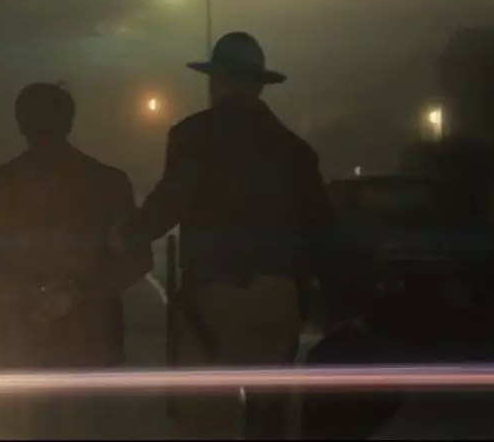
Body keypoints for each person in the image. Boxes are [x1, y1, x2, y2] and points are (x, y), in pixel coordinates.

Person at [117, 32, 335, 439]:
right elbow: (321, 228)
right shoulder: (294, 149)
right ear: (259, 85)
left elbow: (168, 204)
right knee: (267, 416)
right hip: (278, 295)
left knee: (207, 418)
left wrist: (127, 234)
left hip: (210, 295)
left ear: (216, 81)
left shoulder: (192, 135)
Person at [0, 82, 153, 438]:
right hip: (91, 340)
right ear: (70, 121)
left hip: (20, 340)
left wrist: (29, 292)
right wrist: (76, 292)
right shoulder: (108, 184)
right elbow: (136, 259)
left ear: (20, 123)